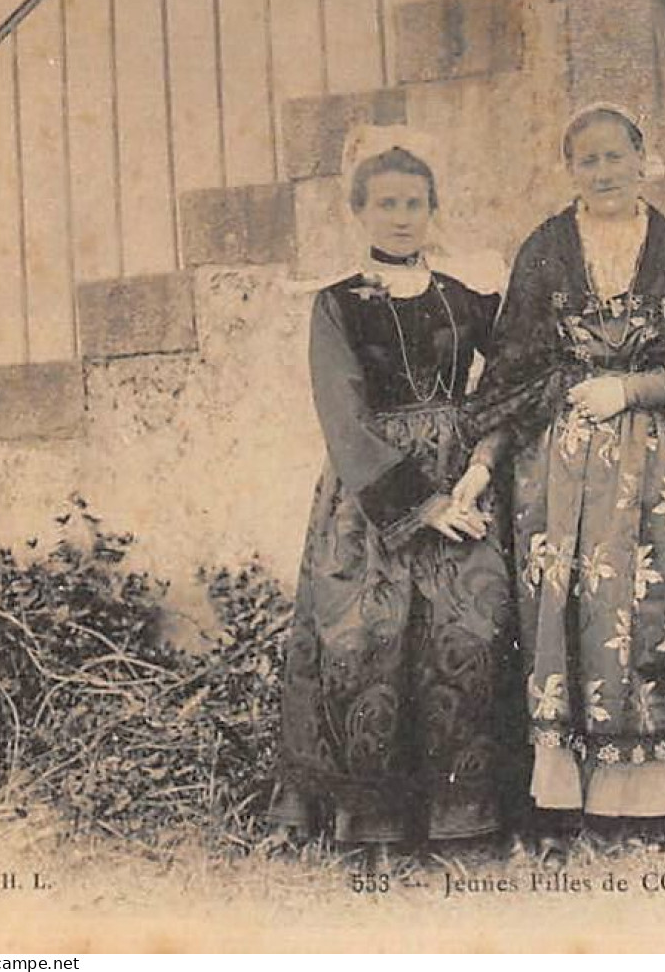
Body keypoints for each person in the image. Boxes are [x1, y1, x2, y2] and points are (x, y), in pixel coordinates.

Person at [457, 104, 665, 843]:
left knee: (648, 606)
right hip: (558, 462)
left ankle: (642, 799)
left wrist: (638, 387)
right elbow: (511, 364)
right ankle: (562, 795)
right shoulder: (545, 248)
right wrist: (498, 452)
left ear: (644, 158)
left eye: (617, 156)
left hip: (652, 463)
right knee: (561, 608)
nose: (604, 172)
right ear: (569, 170)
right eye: (588, 160)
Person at [272, 127, 514, 861]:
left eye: (414, 203)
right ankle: (371, 828)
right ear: (359, 212)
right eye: (385, 205)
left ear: (434, 208)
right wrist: (421, 504)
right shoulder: (336, 303)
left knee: (467, 634)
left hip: (463, 485)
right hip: (373, 498)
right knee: (365, 643)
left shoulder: (465, 296)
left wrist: (477, 470)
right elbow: (341, 414)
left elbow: (505, 386)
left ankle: (460, 819)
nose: (401, 217)